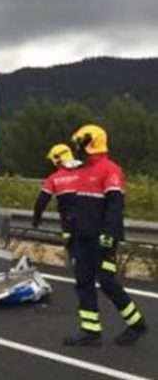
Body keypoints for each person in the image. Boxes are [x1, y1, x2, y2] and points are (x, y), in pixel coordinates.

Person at [59, 125, 148, 347]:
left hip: (103, 238)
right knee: (83, 282)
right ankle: (90, 331)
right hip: (83, 237)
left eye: (79, 143)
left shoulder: (110, 170)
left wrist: (108, 236)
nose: (76, 148)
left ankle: (136, 324)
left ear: (91, 143)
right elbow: (79, 206)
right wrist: (71, 231)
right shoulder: (83, 170)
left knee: (107, 282)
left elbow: (115, 206)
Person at [31, 143, 83, 239]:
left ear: (56, 159)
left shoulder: (54, 178)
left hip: (68, 224)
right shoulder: (85, 173)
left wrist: (36, 219)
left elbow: (41, 202)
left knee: (71, 249)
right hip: (92, 222)